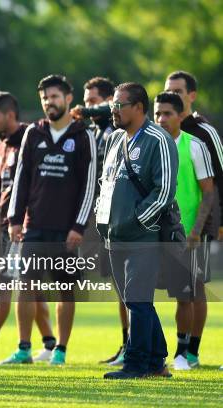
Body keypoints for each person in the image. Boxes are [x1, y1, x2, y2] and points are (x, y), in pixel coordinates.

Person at [5, 74, 96, 365]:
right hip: (34, 226)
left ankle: (61, 350)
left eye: (55, 96)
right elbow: (21, 178)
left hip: (66, 230)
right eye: (45, 97)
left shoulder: (83, 136)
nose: (49, 102)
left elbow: (89, 185)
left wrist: (78, 226)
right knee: (26, 286)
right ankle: (23, 349)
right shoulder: (34, 133)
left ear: (68, 99)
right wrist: (15, 218)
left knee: (65, 291)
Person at [0, 91, 55, 364]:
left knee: (6, 283)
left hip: (25, 227)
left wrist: (30, 219)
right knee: (32, 289)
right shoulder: (1, 145)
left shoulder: (32, 139)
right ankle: (51, 345)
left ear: (10, 115)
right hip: (9, 227)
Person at [97, 82, 177, 379]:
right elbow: (106, 183)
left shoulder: (159, 139)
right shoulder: (116, 138)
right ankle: (157, 362)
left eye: (119, 105)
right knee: (136, 300)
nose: (113, 110)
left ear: (139, 108)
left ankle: (136, 364)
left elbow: (165, 189)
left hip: (144, 236)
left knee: (138, 300)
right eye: (112, 105)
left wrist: (137, 220)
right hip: (114, 236)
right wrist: (103, 220)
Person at [164, 71, 222, 367]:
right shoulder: (161, 130)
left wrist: (216, 222)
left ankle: (192, 351)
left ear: (192, 95)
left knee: (195, 286)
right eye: (168, 90)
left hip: (201, 223)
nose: (173, 94)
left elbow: (218, 180)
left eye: (178, 91)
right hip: (169, 226)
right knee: (180, 290)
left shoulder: (203, 132)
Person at [154, 91, 215, 371]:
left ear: (181, 116)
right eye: (157, 113)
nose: (161, 119)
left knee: (185, 295)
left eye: (167, 113)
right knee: (139, 294)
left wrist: (196, 231)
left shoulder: (194, 146)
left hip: (185, 235)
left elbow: (208, 192)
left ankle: (182, 353)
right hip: (153, 234)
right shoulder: (150, 145)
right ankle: (142, 349)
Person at [72, 77, 128, 365]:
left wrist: (89, 110)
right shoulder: (93, 133)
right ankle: (126, 343)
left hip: (124, 219)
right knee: (119, 285)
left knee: (130, 286)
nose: (86, 106)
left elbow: (107, 109)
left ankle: (138, 345)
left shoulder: (114, 127)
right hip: (106, 219)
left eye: (92, 100)